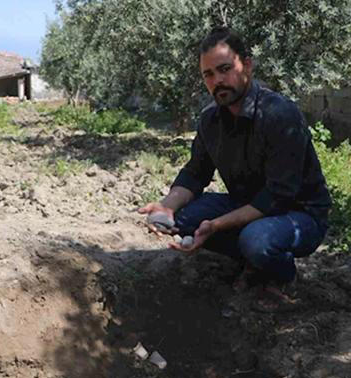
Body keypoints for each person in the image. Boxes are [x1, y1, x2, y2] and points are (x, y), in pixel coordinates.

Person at [138, 27, 332, 311]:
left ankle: (282, 275)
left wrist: (216, 225)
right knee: (182, 218)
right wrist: (166, 207)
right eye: (209, 75)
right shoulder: (210, 120)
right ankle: (251, 262)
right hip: (248, 205)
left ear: (247, 66)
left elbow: (277, 197)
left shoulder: (279, 115)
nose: (218, 81)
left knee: (256, 240)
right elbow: (195, 173)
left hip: (299, 213)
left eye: (225, 69)